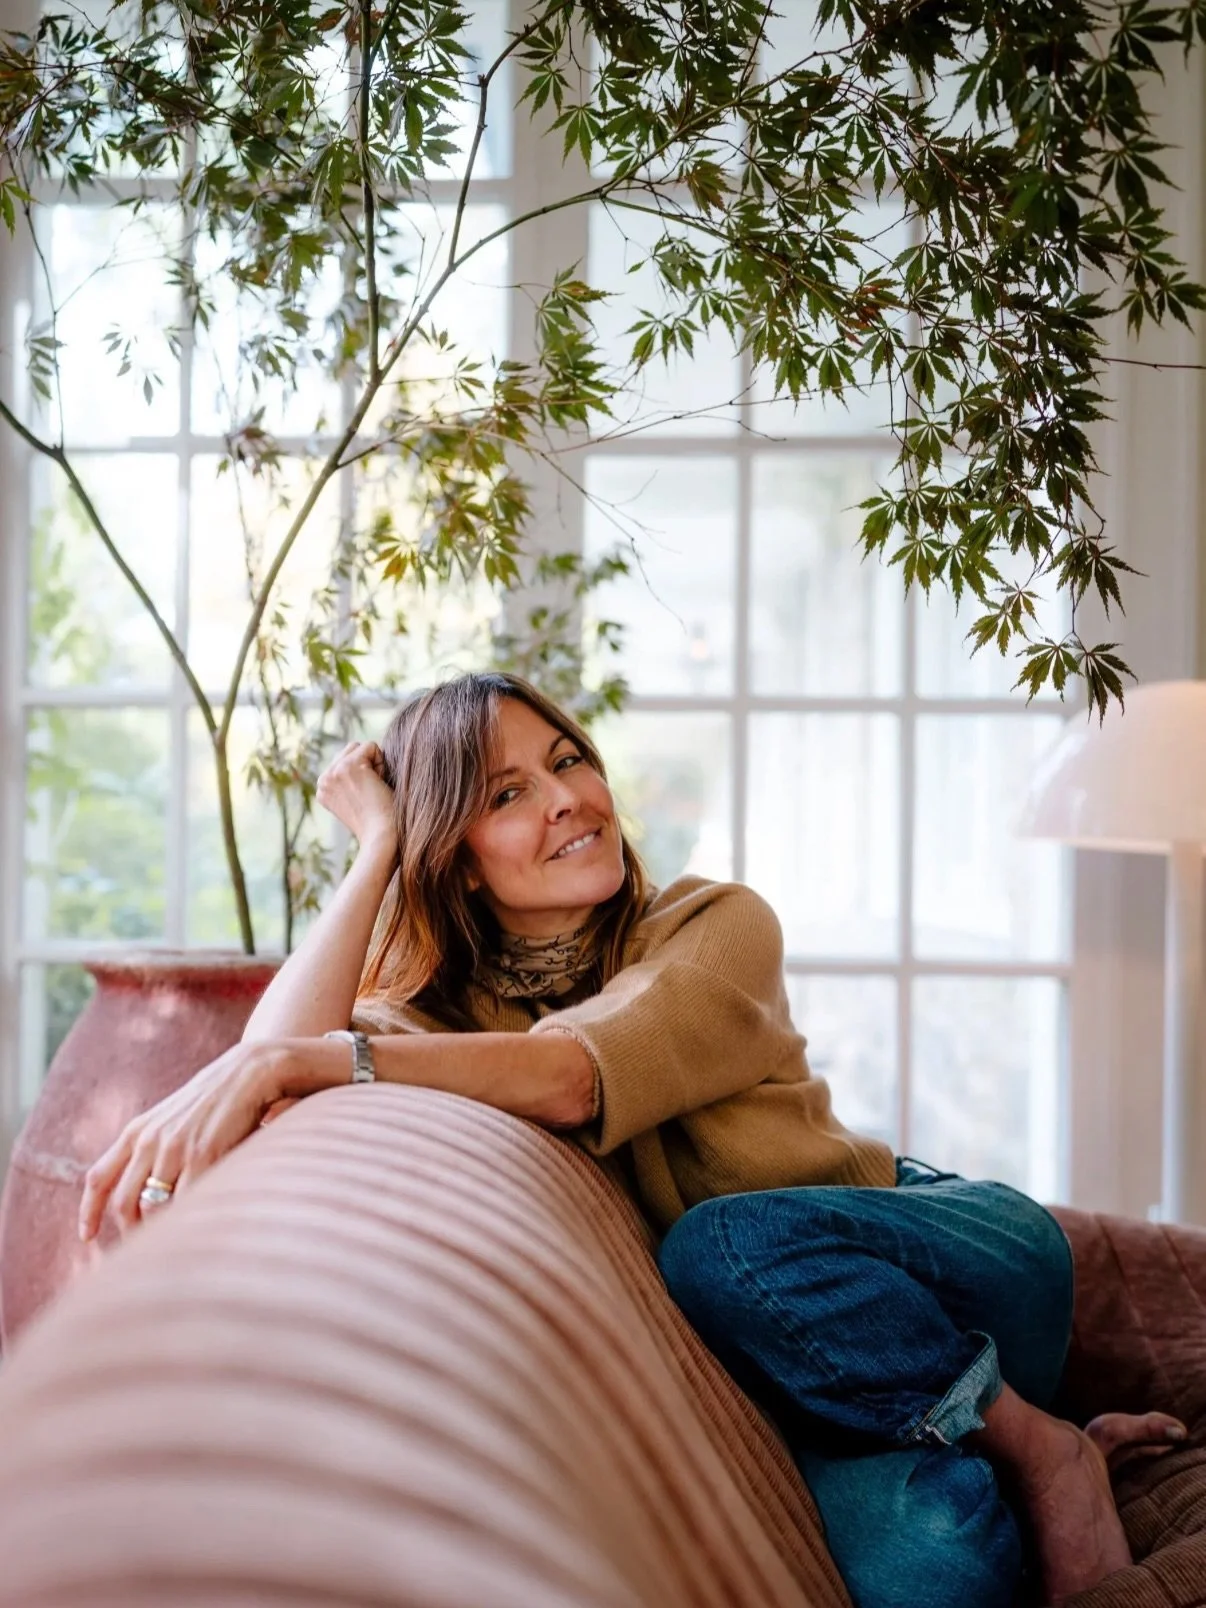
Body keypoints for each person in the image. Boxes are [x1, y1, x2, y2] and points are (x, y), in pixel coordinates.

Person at [78, 671, 1182, 1608]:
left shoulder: (710, 926)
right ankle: (1016, 1444)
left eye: (569, 761)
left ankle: (1039, 1441)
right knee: (934, 1561)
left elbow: (571, 1075)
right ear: (455, 856)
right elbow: (278, 1058)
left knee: (719, 1246)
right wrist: (372, 849)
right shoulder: (454, 1025)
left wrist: (298, 1059)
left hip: (951, 1256)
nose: (569, 799)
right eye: (511, 792)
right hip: (802, 1375)